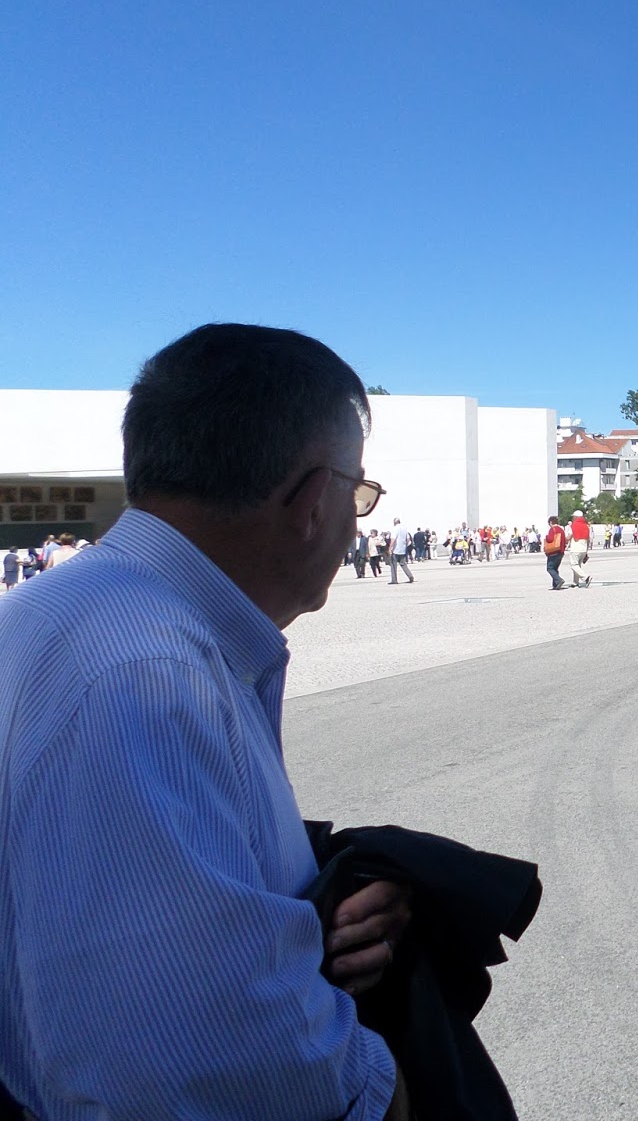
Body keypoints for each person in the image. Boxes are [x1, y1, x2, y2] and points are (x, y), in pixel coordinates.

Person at [0, 324, 410, 1118]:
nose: (356, 522)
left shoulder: (55, 611)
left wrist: (311, 912)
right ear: (312, 502)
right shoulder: (146, 673)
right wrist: (382, 1092)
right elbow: (187, 1060)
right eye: (358, 494)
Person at [568, 509, 591, 588]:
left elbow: (569, 537)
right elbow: (588, 539)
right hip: (583, 548)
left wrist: (564, 540)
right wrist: (586, 551)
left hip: (575, 548)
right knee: (578, 566)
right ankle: (575, 582)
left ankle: (585, 577)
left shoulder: (573, 526)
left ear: (576, 517)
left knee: (574, 565)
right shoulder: (586, 526)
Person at [387, 518, 415, 584]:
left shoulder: (395, 529)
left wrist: (390, 548)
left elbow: (393, 539)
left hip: (396, 549)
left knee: (393, 565)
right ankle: (410, 576)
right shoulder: (404, 529)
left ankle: (394, 580)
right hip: (402, 549)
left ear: (394, 522)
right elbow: (408, 539)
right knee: (403, 564)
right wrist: (405, 546)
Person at [542, 515, 567, 589]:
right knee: (555, 568)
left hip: (553, 552)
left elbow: (550, 539)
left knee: (550, 568)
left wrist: (546, 537)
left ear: (551, 522)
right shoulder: (561, 529)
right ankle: (555, 584)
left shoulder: (552, 529)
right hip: (560, 552)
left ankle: (559, 580)